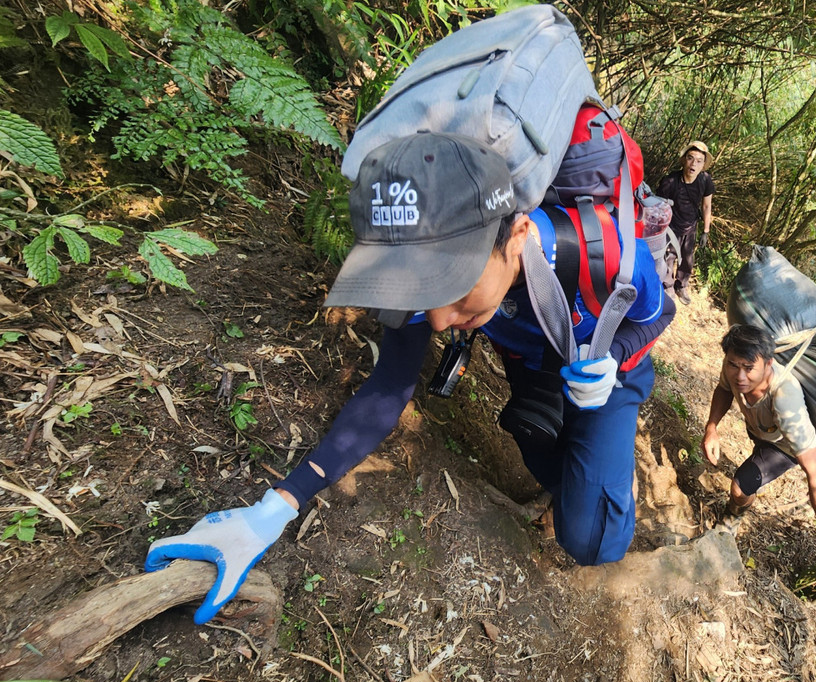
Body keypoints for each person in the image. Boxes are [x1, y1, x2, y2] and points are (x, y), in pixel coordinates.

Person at [145, 132, 675, 624]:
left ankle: (603, 487)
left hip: (606, 362)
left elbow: (659, 312)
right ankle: (574, 483)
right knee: (536, 438)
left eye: (455, 288)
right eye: (427, 296)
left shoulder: (600, 251)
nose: (440, 320)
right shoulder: (424, 262)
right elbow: (386, 390)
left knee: (593, 541)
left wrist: (614, 358)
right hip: (535, 370)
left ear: (516, 238)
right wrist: (271, 512)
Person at [703, 324, 816, 593]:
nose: (739, 376)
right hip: (760, 429)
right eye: (733, 365)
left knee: (740, 487)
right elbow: (723, 389)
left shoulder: (785, 399)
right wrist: (712, 428)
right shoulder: (733, 367)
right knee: (751, 465)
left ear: (768, 363)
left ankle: (733, 517)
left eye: (748, 367)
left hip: (783, 447)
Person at [656, 141, 714, 305]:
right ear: (683, 160)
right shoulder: (670, 181)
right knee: (669, 257)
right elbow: (659, 205)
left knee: (688, 259)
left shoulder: (705, 180)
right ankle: (667, 286)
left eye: (699, 160)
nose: (693, 164)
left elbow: (707, 205)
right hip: (671, 226)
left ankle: (681, 286)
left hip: (691, 225)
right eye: (690, 158)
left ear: (703, 165)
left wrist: (706, 231)